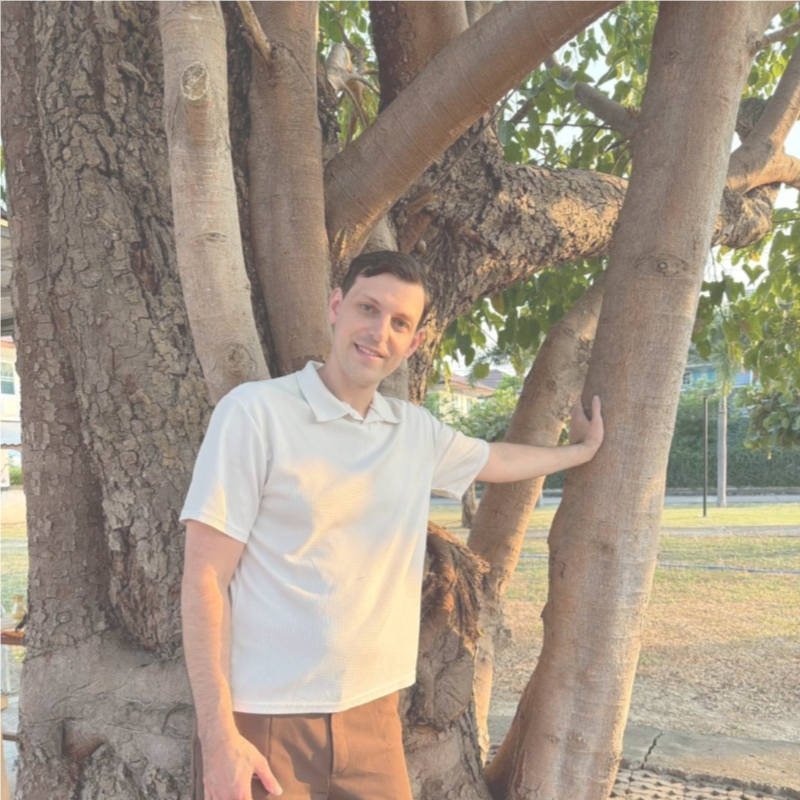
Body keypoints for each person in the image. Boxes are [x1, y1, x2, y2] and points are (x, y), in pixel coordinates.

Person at [180, 251, 604, 800]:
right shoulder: (255, 413)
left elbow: (496, 460)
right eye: (367, 308)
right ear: (336, 306)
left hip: (375, 720)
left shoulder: (413, 431)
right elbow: (205, 577)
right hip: (264, 721)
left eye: (400, 322)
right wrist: (218, 737)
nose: (379, 332)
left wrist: (580, 452)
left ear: (414, 342)